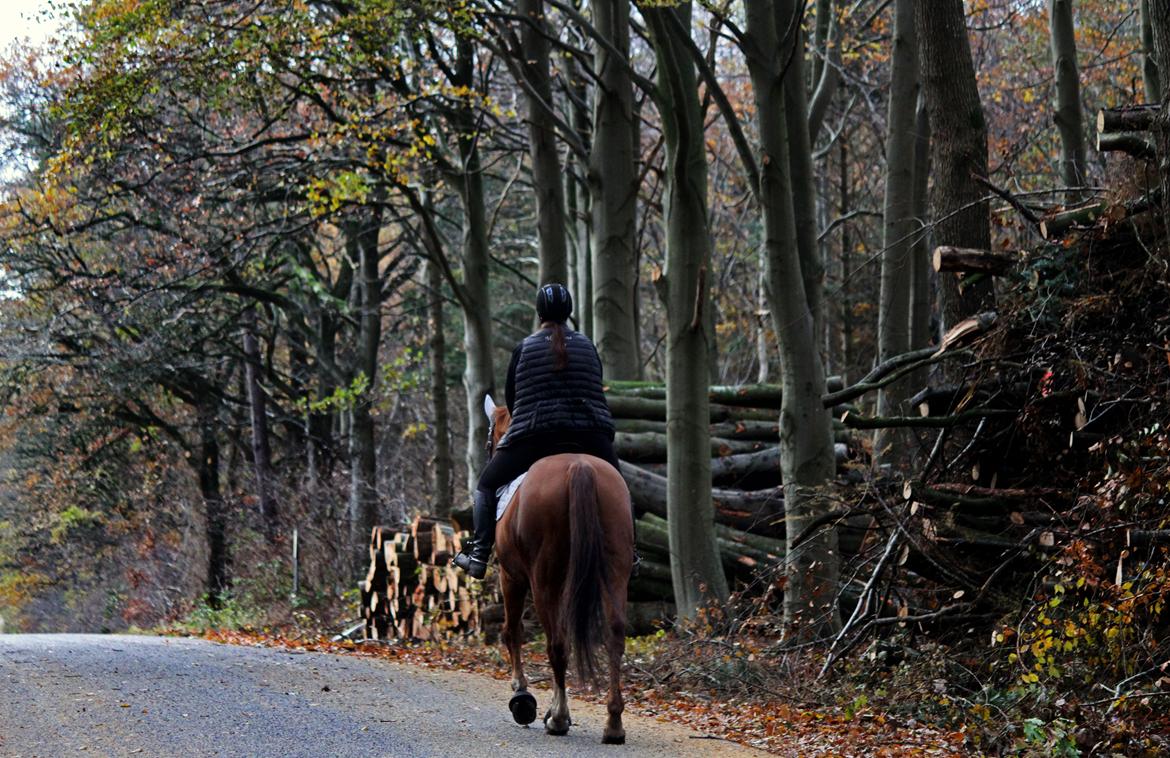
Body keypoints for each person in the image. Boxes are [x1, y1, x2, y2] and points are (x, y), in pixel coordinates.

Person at [453, 283, 628, 579]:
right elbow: (595, 388)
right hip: (590, 434)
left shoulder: (524, 348)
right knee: (620, 486)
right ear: (569, 312)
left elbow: (512, 400)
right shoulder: (587, 346)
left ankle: (480, 552)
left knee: (486, 484)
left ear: (538, 313)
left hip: (537, 437)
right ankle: (630, 552)